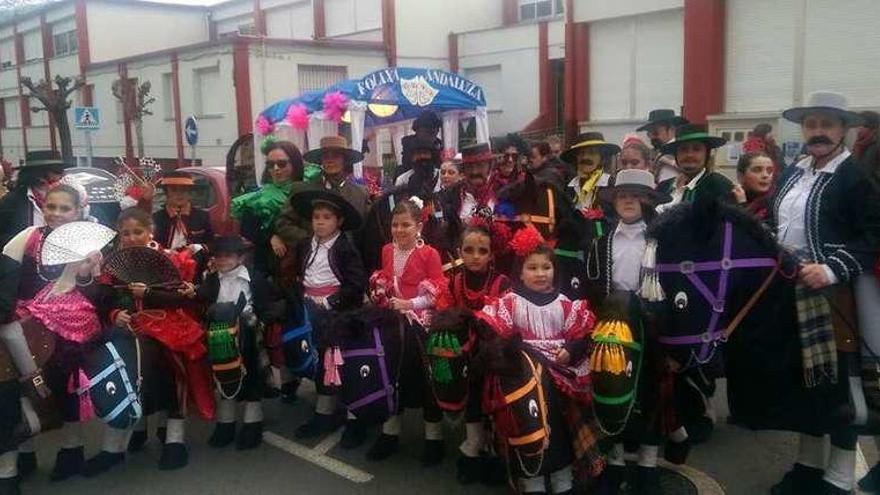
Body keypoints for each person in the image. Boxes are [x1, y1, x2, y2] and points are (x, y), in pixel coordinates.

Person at [769, 91, 880, 495]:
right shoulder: (793, 171)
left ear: (843, 129)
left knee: (840, 386)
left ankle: (838, 476)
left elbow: (873, 238)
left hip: (838, 295)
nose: (818, 133)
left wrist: (832, 269)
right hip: (791, 291)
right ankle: (808, 465)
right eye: (812, 125)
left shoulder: (855, 177)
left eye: (827, 125)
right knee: (805, 384)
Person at [476, 225, 600, 494]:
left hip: (559, 385)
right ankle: (532, 482)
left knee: (561, 435)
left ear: (555, 270)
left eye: (546, 267)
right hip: (525, 386)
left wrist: (571, 349)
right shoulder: (510, 302)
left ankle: (563, 481)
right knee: (527, 433)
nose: (540, 274)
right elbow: (493, 334)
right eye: (532, 268)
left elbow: (582, 335)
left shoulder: (566, 304)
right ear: (520, 272)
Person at [0, 185, 106, 487]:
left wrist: (86, 272)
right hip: (26, 321)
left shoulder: (87, 244)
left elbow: (95, 291)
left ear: (77, 212)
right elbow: (6, 277)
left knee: (66, 389)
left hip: (69, 323)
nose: (56, 214)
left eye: (64, 208)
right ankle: (24, 452)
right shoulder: (28, 237)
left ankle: (71, 449)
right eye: (51, 207)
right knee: (22, 388)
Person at [103, 207, 210, 472]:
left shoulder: (170, 258)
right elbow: (107, 297)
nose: (131, 237)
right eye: (125, 233)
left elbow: (181, 298)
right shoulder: (115, 262)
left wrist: (149, 293)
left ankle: (175, 440)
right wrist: (115, 313)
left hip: (167, 325)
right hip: (132, 329)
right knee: (133, 380)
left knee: (173, 377)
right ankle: (136, 431)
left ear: (150, 230)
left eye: (137, 231)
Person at [367, 198, 447, 465]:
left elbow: (437, 292)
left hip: (419, 326)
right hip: (393, 323)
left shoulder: (430, 254)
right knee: (391, 377)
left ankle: (434, 438)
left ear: (419, 226)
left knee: (425, 380)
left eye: (406, 225)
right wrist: (382, 293)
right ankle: (390, 433)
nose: (400, 230)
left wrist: (409, 304)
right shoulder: (387, 250)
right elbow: (387, 283)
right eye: (395, 225)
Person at [289, 191, 367, 448]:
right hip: (310, 310)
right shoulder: (305, 245)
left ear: (339, 221)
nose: (320, 222)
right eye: (316, 217)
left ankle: (356, 420)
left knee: (342, 366)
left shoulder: (344, 247)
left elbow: (356, 283)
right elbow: (300, 273)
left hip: (337, 314)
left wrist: (332, 302)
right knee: (320, 364)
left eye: (326, 217)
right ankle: (324, 413)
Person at [194, 235, 286, 451]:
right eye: (219, 256)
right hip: (219, 336)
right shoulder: (211, 279)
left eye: (228, 255)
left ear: (241, 257)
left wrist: (260, 320)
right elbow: (202, 301)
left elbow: (274, 302)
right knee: (223, 376)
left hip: (248, 334)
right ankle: (226, 423)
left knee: (252, 375)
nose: (223, 260)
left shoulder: (254, 279)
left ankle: (253, 422)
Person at [362, 134, 444, 272]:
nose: (422, 157)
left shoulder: (442, 176)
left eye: (425, 153)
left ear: (432, 155)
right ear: (412, 157)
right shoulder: (403, 179)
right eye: (418, 154)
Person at [233, 140, 302, 277]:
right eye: (270, 164)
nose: (276, 168)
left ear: (294, 164)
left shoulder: (305, 190)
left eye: (282, 164)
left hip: (301, 261)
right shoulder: (258, 196)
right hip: (267, 264)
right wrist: (270, 237)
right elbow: (247, 229)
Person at [656, 124, 735, 212]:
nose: (690, 155)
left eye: (697, 149)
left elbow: (730, 223)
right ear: (676, 155)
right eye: (683, 149)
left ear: (706, 154)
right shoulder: (664, 186)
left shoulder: (718, 185)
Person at [0, 151, 73, 247]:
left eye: (60, 172)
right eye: (56, 171)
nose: (60, 178)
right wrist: (27, 243)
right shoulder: (13, 201)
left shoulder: (70, 198)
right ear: (38, 177)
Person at [438, 143, 499, 252]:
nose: (475, 172)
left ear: (490, 166)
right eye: (470, 167)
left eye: (480, 165)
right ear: (463, 170)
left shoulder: (502, 193)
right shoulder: (450, 196)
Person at [560, 132, 620, 210]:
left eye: (592, 153)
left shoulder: (612, 186)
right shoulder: (568, 188)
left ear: (602, 159)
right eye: (581, 153)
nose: (585, 157)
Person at [636, 109, 688, 184]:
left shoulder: (676, 153)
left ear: (671, 130)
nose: (652, 138)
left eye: (655, 132)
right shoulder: (658, 154)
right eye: (649, 134)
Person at [396, 110, 443, 181]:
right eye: (428, 130)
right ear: (418, 130)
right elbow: (407, 165)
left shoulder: (437, 144)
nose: (432, 132)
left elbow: (438, 164)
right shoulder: (410, 144)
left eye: (435, 130)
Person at [732, 152, 775, 222]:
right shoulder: (730, 199)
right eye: (757, 170)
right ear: (741, 176)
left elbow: (755, 230)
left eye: (769, 171)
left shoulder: (776, 204)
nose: (765, 175)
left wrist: (742, 205)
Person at [854, 110, 879, 179]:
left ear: (872, 128)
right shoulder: (860, 143)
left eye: (861, 125)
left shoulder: (876, 146)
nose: (858, 128)